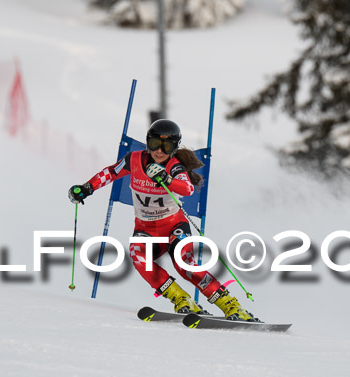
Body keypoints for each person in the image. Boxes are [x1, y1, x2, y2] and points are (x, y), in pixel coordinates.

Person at [68, 119, 261, 322]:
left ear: (174, 148)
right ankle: (181, 299)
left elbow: (187, 188)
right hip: (146, 229)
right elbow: (111, 172)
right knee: (138, 257)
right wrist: (87, 188)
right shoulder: (134, 160)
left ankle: (230, 305)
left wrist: (166, 178)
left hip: (174, 225)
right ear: (147, 142)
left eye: (166, 146)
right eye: (154, 144)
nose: (159, 151)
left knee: (184, 263)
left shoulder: (174, 166)